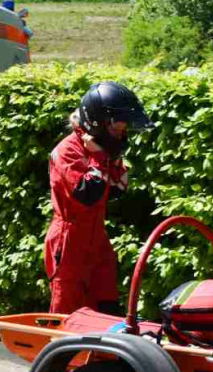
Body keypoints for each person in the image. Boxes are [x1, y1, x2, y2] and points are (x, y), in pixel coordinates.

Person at [44, 81, 151, 315]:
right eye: (117, 127)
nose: (121, 134)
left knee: (106, 308)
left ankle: (103, 353)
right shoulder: (68, 151)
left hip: (97, 239)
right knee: (67, 314)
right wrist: (100, 158)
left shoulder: (102, 150)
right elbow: (89, 195)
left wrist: (107, 158)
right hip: (70, 241)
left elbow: (118, 188)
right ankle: (61, 353)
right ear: (99, 123)